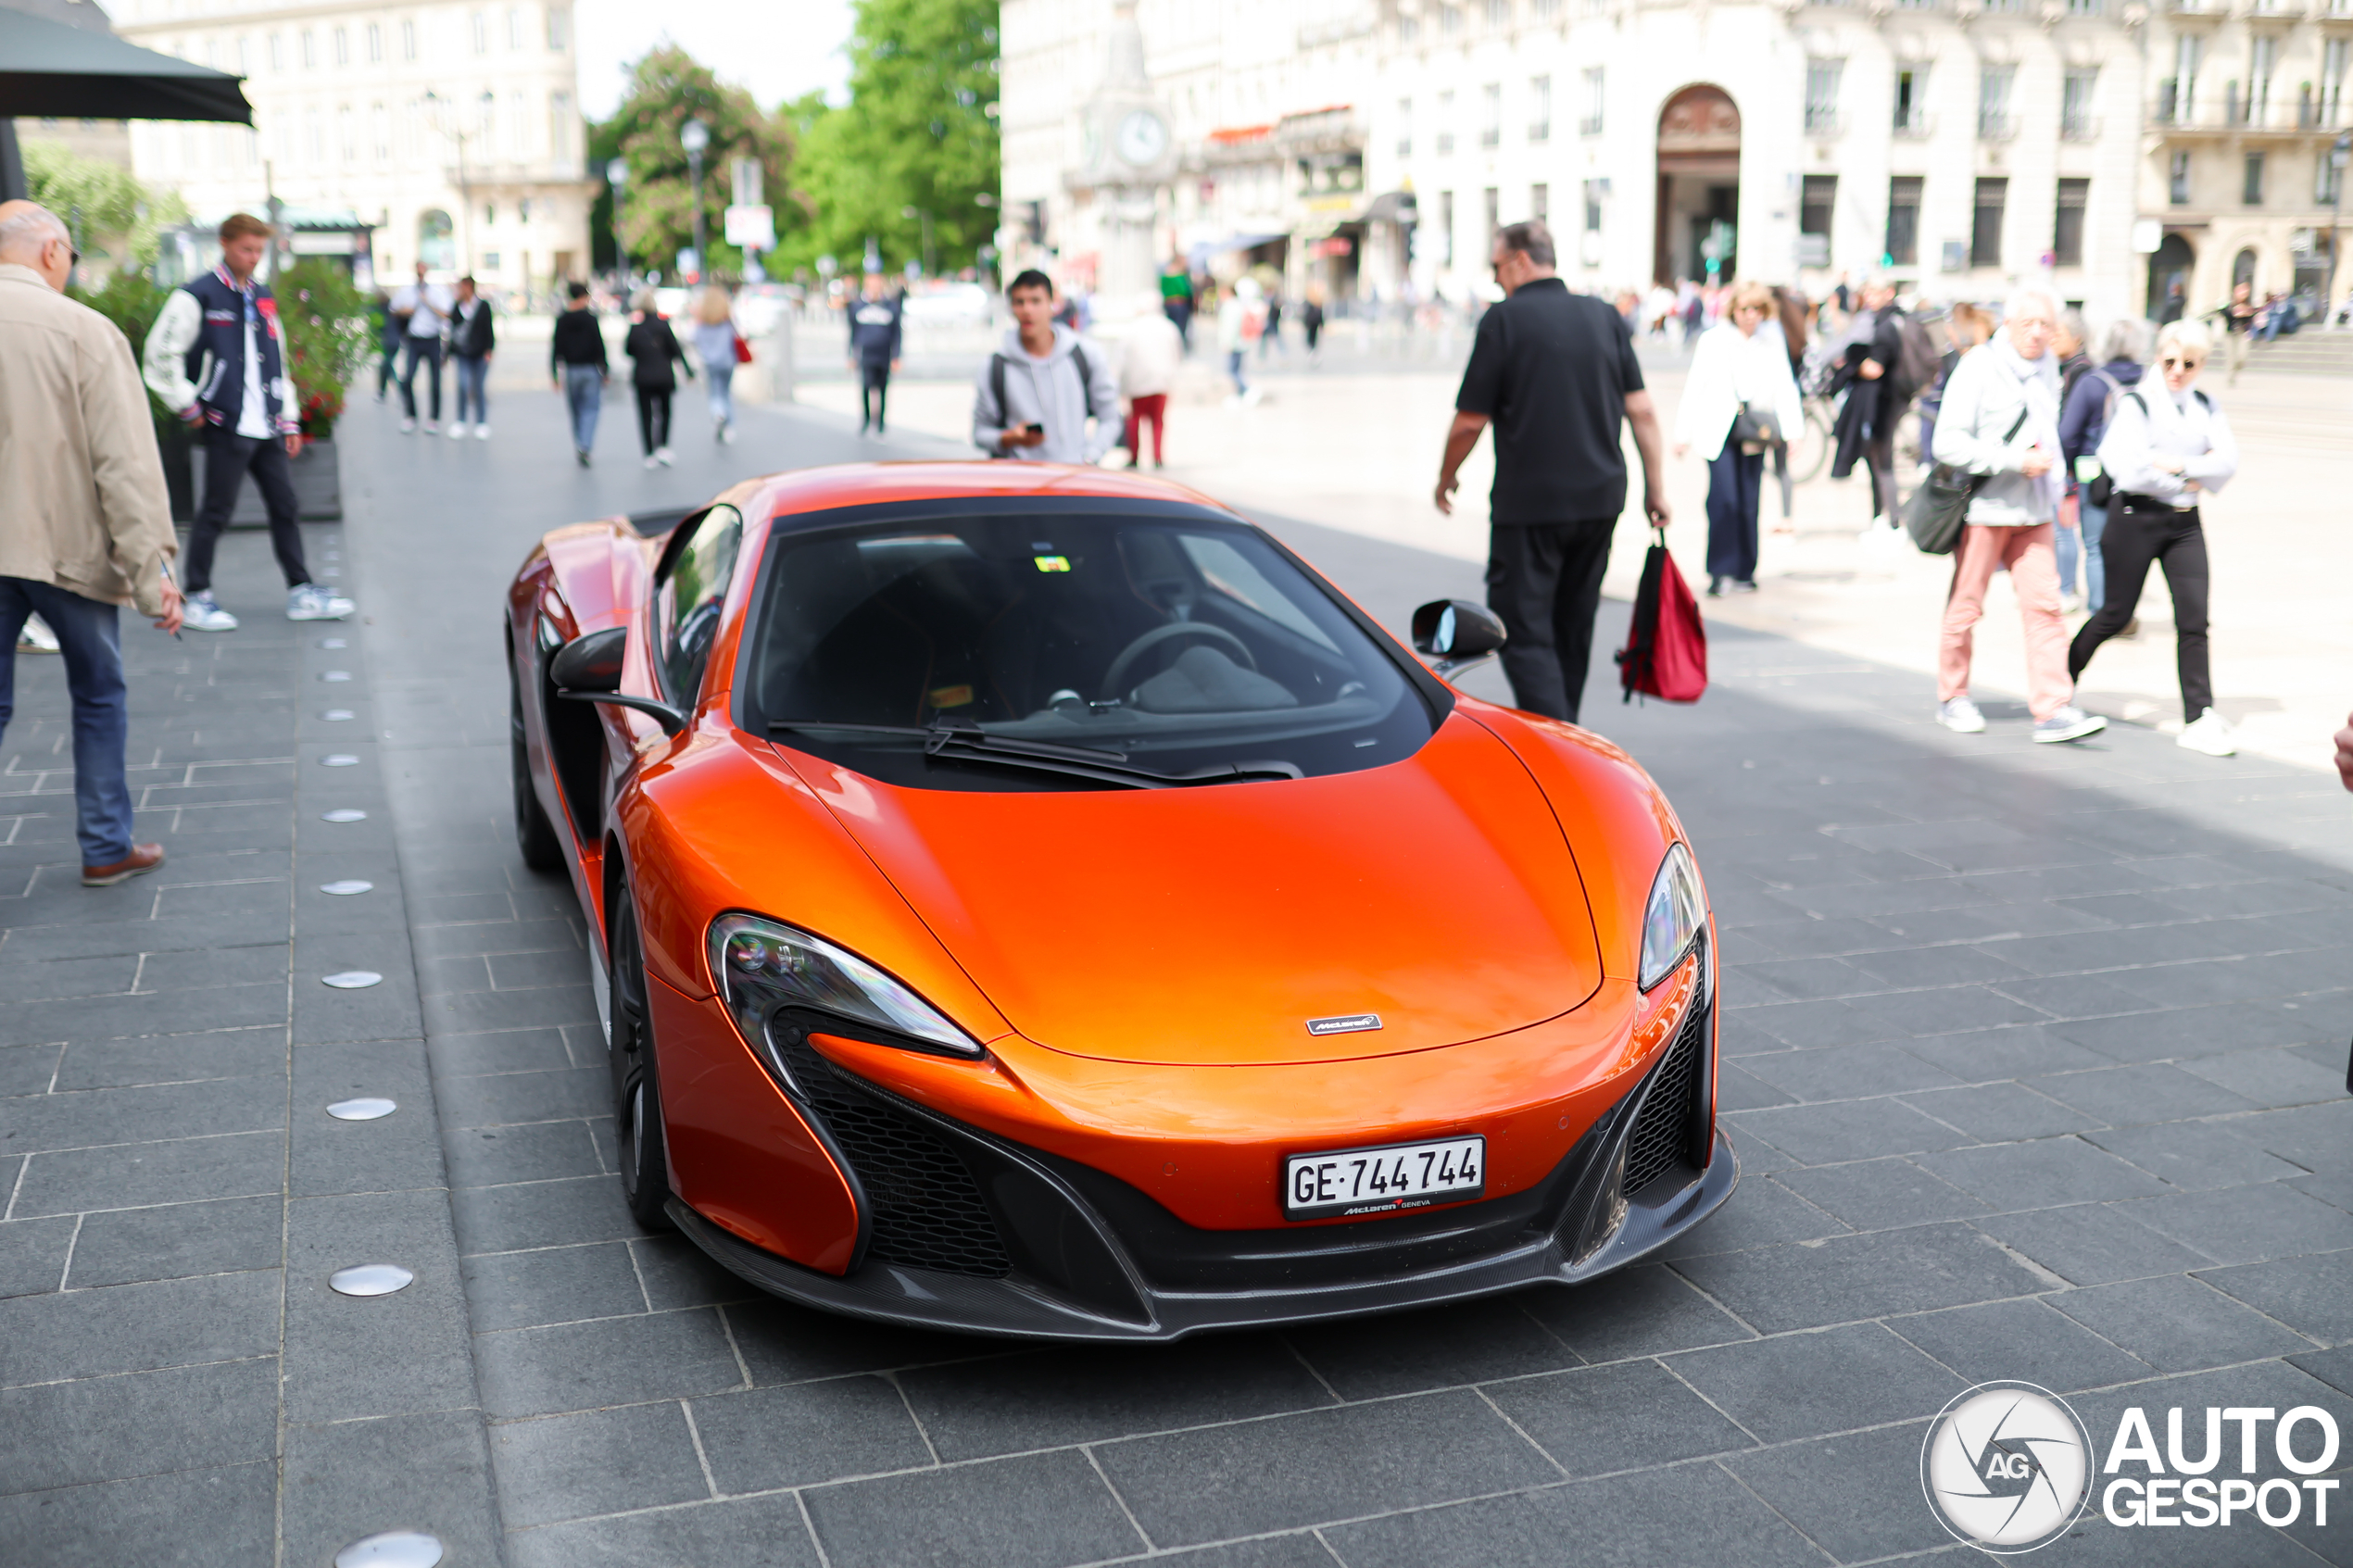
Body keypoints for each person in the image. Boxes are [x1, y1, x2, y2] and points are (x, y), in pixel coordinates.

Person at [0, 200, 184, 885]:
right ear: (52, 251)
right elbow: (124, 466)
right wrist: (151, 572)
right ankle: (106, 845)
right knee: (99, 693)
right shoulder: (84, 330)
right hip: (63, 548)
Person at [1432, 220, 1670, 725]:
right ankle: (1568, 732)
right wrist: (1657, 488)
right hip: (1602, 499)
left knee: (1520, 623)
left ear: (1520, 260)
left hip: (1531, 504)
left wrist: (1446, 475)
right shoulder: (1604, 316)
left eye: (1497, 265)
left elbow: (1471, 420)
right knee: (1573, 623)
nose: (1496, 278)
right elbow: (1643, 411)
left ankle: (1558, 745)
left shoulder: (1504, 320)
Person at [142, 212, 353, 632]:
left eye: (259, 249)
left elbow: (277, 360)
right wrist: (190, 406)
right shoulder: (197, 294)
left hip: (267, 425)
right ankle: (198, 596)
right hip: (225, 423)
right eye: (246, 249)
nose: (254, 257)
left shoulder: (262, 295)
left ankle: (301, 591)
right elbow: (159, 353)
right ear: (225, 244)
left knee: (285, 507)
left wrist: (288, 419)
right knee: (215, 512)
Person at [1926, 289, 2105, 745]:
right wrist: (2012, 460)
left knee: (2045, 609)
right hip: (1985, 510)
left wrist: (2057, 487)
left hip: (2035, 510)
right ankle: (1953, 696)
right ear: (2007, 324)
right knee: (1966, 607)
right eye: (2029, 324)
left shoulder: (2048, 368)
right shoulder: (1979, 366)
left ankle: (2053, 707)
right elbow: (1947, 443)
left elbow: (2050, 436)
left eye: (2047, 325)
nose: (2039, 334)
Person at [2070, 320, 2238, 757]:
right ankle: (2058, 682)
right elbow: (2130, 472)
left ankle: (2199, 715)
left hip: (2184, 523)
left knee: (2194, 620)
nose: (2178, 370)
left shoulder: (2204, 404)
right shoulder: (2137, 404)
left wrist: (2174, 467)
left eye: (2190, 363)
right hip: (2133, 519)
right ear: (2157, 356)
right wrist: (2192, 469)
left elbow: (2227, 463)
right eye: (2170, 360)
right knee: (2114, 614)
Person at [1674, 280, 1803, 597]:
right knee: (1723, 499)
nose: (1751, 315)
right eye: (1745, 309)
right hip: (1717, 428)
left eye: (1757, 309)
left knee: (1749, 500)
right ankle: (1720, 570)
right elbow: (1695, 385)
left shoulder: (1771, 340)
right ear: (1734, 310)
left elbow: (1786, 385)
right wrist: (1682, 433)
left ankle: (1745, 569)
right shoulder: (1714, 339)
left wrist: (1793, 431)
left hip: (1754, 429)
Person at [971, 268, 1121, 464]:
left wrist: (1089, 458)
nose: (1027, 310)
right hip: (1019, 483)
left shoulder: (1083, 354)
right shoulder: (995, 365)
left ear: (1053, 303)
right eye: (1019, 302)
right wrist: (1009, 438)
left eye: (1035, 301)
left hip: (1072, 479)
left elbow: (1110, 417)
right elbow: (980, 433)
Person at [2057, 317, 2150, 626]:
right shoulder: (2150, 382)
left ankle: (2101, 611)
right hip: (2141, 475)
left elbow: (2068, 433)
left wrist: (2068, 469)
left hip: (2094, 474)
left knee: (2096, 545)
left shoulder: (2093, 382)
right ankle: (2124, 609)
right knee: (2131, 548)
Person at [1829, 277, 1913, 533]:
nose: (1869, 298)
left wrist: (1852, 366)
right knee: (1876, 458)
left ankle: (1891, 520)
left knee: (1881, 459)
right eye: (1867, 294)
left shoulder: (1886, 324)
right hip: (1889, 398)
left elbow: (1875, 368)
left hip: (1885, 401)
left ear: (1889, 292)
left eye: (1874, 293)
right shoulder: (1893, 319)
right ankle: (1882, 518)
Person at [2050, 309, 2092, 608]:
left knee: (2065, 529)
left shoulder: (2080, 371)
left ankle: (2067, 589)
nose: (2052, 339)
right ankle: (2064, 586)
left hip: (2073, 462)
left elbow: (2070, 427)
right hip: (2069, 461)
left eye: (2058, 333)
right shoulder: (2065, 367)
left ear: (2077, 338)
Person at [624, 290, 690, 469]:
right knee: (665, 412)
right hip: (663, 375)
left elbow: (628, 351)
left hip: (643, 376)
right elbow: (676, 350)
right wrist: (688, 370)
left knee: (645, 415)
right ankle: (663, 446)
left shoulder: (635, 328)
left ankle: (648, 452)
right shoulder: (664, 326)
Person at [550, 281, 609, 467]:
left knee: (575, 410)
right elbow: (599, 344)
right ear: (584, 297)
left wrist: (553, 372)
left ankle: (579, 443)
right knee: (591, 409)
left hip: (571, 369)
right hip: (590, 369)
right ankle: (585, 444)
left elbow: (555, 347)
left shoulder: (562, 319)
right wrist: (605, 369)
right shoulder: (591, 319)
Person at [1117, 306, 1182, 470]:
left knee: (1135, 419)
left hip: (1138, 381)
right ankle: (1158, 457)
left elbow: (1123, 359)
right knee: (1158, 421)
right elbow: (1177, 354)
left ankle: (1134, 456)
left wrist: (1122, 385)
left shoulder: (1132, 329)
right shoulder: (1168, 327)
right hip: (1161, 381)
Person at [390, 260, 450, 433]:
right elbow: (393, 309)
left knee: (436, 382)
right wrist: (406, 311)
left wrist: (428, 303)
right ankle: (410, 416)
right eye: (418, 272)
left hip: (433, 339)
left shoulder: (438, 291)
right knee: (407, 378)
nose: (421, 276)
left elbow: (446, 314)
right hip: (414, 339)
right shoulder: (407, 291)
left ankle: (434, 418)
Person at [846, 272, 901, 436]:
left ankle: (881, 423)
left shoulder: (890, 306)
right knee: (865, 387)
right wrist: (851, 355)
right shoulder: (857, 305)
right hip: (866, 354)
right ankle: (866, 420)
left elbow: (897, 333)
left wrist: (896, 356)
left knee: (883, 389)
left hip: (884, 354)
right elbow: (852, 332)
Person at [690, 285, 741, 444]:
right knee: (725, 392)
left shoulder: (702, 324)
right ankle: (728, 427)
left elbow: (693, 340)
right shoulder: (727, 323)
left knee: (714, 393)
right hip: (727, 361)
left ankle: (718, 413)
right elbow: (738, 337)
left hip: (710, 362)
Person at [447, 275, 495, 440]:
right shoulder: (457, 306)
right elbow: (451, 330)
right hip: (463, 353)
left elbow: (489, 329)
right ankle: (460, 420)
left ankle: (481, 422)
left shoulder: (483, 306)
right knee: (462, 385)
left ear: (468, 287)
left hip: (480, 353)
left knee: (478, 388)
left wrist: (489, 349)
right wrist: (447, 354)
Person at [1216, 279, 1255, 403]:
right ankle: (1240, 393)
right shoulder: (1237, 304)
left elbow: (1230, 327)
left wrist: (1227, 343)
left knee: (1233, 371)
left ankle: (1246, 390)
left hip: (1235, 344)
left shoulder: (1230, 306)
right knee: (1236, 370)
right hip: (1240, 342)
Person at [2220, 281, 2256, 385]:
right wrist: (2233, 312)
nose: (2243, 293)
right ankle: (2231, 377)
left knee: (2242, 357)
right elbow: (2223, 314)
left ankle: (2236, 370)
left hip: (2243, 333)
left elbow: (2252, 318)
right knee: (2231, 357)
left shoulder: (2248, 304)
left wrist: (2248, 313)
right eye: (2241, 290)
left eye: (2245, 290)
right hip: (2230, 333)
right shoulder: (2229, 304)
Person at [1160, 257, 1196, 348]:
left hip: (1168, 304)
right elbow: (1185, 290)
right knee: (1180, 328)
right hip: (1179, 304)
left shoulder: (1163, 277)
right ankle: (1179, 347)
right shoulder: (1179, 277)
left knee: (1171, 327)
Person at [372, 287, 401, 402]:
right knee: (386, 366)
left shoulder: (380, 310)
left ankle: (397, 391)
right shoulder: (393, 309)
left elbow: (378, 326)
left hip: (388, 341)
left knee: (387, 366)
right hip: (395, 341)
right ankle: (382, 393)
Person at [1302, 282, 1327, 359]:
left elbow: (1307, 314)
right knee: (1313, 337)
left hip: (1311, 322)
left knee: (1311, 337)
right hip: (1314, 322)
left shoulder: (1311, 301)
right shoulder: (1315, 301)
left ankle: (1312, 351)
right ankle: (1312, 350)